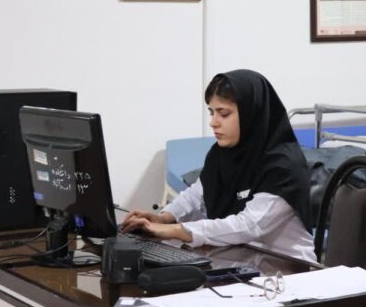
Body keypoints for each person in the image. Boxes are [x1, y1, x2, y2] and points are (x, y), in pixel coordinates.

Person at [122, 69, 317, 264]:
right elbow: (196, 196)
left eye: (224, 114)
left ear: (251, 114)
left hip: (286, 268)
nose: (213, 123)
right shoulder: (222, 153)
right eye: (211, 112)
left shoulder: (284, 166)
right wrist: (164, 218)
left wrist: (177, 230)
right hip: (238, 258)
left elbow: (249, 225)